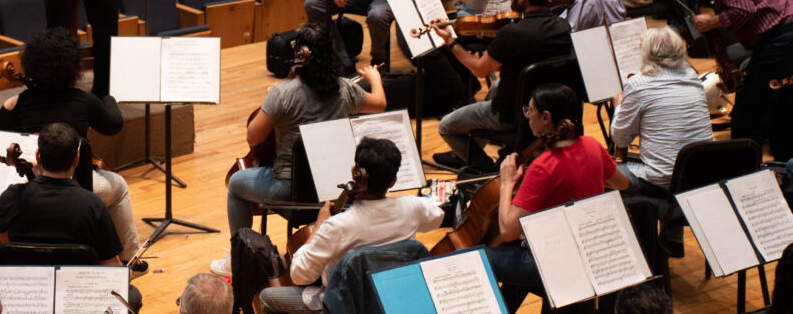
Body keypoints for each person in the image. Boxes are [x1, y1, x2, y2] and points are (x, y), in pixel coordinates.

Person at [213, 23, 386, 276]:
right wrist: (376, 78)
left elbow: (253, 137)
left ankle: (239, 258)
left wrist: (271, 102)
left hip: (291, 190)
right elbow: (380, 103)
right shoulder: (345, 89)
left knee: (237, 183)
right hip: (335, 190)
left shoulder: (283, 94)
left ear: (301, 55)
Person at [0, 27, 143, 267]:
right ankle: (129, 259)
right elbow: (113, 125)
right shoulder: (83, 101)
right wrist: (108, 98)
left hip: (31, 187)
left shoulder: (21, 102)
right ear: (71, 66)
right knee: (118, 186)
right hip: (77, 185)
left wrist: (10, 106)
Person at [256, 137, 444, 314]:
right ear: (393, 181)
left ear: (355, 171)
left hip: (347, 304)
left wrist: (320, 225)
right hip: (391, 297)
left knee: (266, 297)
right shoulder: (413, 208)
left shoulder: (337, 226)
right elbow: (438, 216)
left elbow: (299, 275)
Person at [484, 84, 628, 310]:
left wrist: (507, 183)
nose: (527, 116)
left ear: (546, 117)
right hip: (589, 253)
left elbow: (507, 230)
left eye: (530, 110)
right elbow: (622, 183)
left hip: (551, 262)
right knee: (514, 277)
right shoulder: (592, 145)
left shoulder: (543, 166)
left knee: (471, 257)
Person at [0, 123, 143, 312]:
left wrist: (24, 184)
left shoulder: (14, 196)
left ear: (38, 156)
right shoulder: (93, 205)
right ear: (76, 160)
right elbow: (110, 268)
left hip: (29, 295)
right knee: (132, 295)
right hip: (75, 299)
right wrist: (126, 274)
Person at [431, 0, 574, 171]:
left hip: (510, 114)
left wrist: (450, 42)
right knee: (497, 84)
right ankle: (501, 151)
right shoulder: (563, 27)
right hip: (546, 108)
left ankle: (484, 169)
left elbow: (480, 70)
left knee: (445, 126)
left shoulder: (512, 33)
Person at [676, 0, 793, 159]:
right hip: (782, 34)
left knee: (747, 119)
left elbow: (743, 10)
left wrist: (713, 21)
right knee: (778, 112)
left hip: (781, 38)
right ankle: (782, 169)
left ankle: (744, 177)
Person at [610, 25, 713, 256]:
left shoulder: (637, 84)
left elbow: (620, 137)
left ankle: (637, 252)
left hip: (661, 181)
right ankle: (672, 233)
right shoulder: (692, 78)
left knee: (607, 174)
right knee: (672, 164)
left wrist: (619, 107)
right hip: (699, 176)